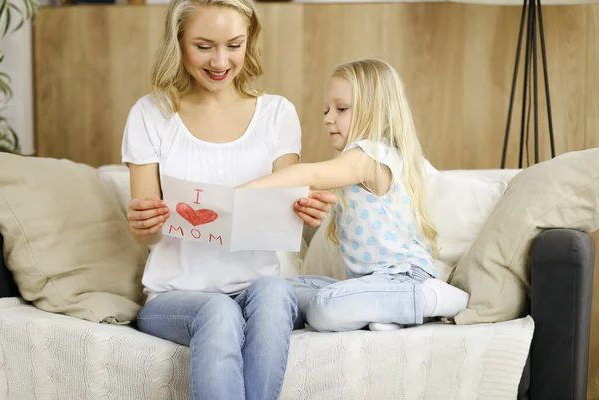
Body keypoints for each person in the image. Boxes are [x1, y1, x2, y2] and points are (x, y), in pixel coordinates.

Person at [120, 0, 336, 398]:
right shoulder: (151, 114)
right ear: (178, 43)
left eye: (233, 45)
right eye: (204, 46)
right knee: (218, 311)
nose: (221, 60)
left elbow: (287, 219)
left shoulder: (276, 114)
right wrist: (144, 224)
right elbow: (149, 236)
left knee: (276, 290)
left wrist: (309, 216)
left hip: (254, 287)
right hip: (176, 295)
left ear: (248, 41)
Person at [240, 58, 469, 333]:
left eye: (341, 109)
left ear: (375, 111)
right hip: (365, 283)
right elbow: (307, 191)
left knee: (326, 309)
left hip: (404, 278)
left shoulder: (372, 154)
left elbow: (311, 175)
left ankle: (434, 299)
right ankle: (386, 312)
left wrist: (242, 191)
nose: (327, 118)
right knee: (275, 292)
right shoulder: (354, 166)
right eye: (326, 109)